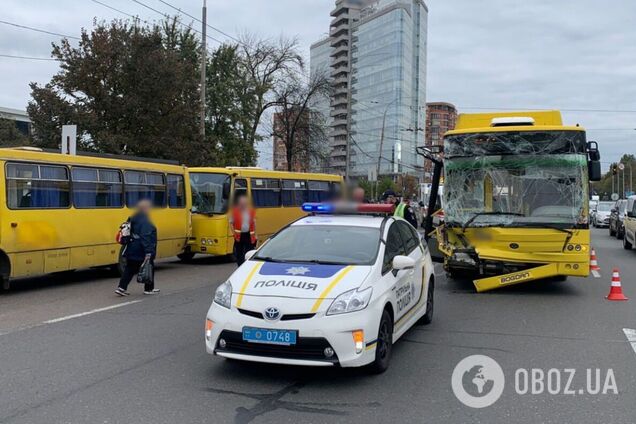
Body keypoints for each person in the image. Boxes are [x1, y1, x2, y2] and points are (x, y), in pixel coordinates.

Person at [116, 199, 159, 296]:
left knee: (129, 268)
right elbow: (146, 236)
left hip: (131, 247)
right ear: (145, 209)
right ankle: (148, 289)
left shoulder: (133, 218)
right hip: (141, 249)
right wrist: (149, 251)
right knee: (149, 266)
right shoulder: (145, 221)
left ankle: (121, 288)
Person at [230, 194, 257, 266]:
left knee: (249, 252)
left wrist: (255, 235)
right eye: (241, 202)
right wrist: (234, 234)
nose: (243, 204)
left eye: (244, 202)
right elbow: (231, 223)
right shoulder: (235, 212)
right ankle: (240, 266)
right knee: (239, 253)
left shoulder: (250, 211)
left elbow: (254, 223)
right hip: (239, 236)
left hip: (249, 235)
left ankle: (247, 266)